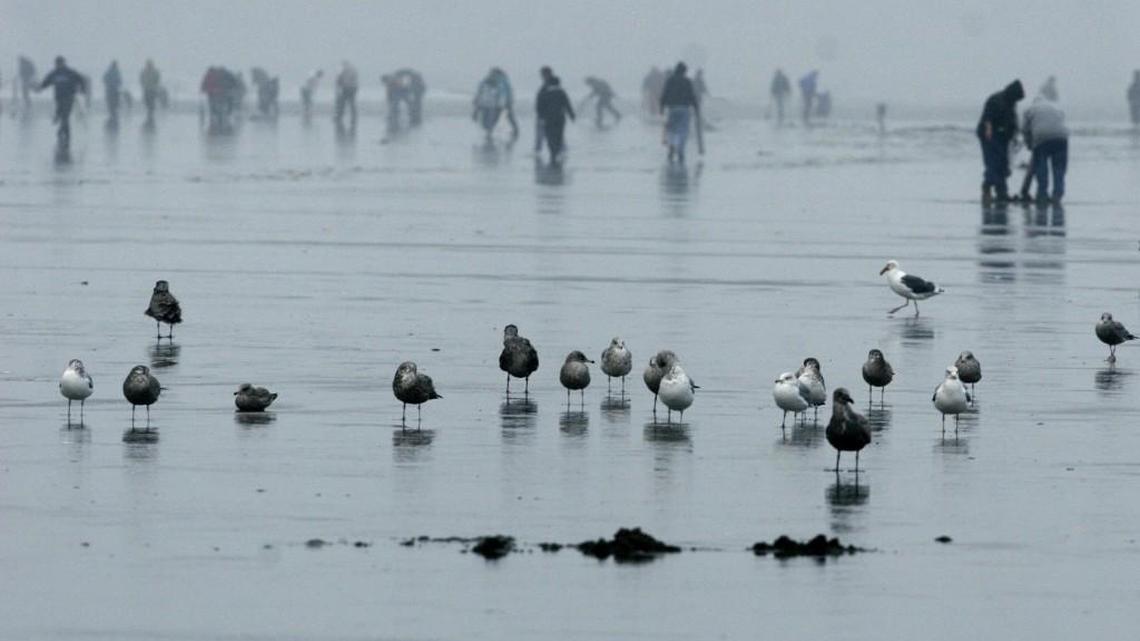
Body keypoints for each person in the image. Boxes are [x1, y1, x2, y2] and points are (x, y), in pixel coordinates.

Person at [976, 80, 1025, 203]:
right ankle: (987, 188)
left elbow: (1013, 120)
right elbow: (987, 117)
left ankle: (1002, 193)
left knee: (1003, 163)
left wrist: (1015, 134)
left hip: (1002, 136)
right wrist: (988, 130)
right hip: (989, 135)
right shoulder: (995, 99)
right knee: (993, 163)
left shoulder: (1011, 102)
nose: (1016, 101)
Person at [1022, 94, 1069, 203]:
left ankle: (1042, 195)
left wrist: (1029, 144)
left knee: (1041, 168)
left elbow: (1024, 129)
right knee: (1059, 168)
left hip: (1041, 137)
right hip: (1062, 137)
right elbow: (1061, 120)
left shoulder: (1029, 109)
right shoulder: (1055, 108)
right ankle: (1057, 196)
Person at [37, 56, 88, 144]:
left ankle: (65, 134)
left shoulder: (70, 72)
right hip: (59, 98)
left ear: (63, 63)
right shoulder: (54, 73)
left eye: (59, 63)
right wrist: (40, 88)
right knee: (61, 114)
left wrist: (83, 89)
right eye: (57, 63)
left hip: (69, 97)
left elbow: (81, 79)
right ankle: (62, 129)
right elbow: (46, 82)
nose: (58, 65)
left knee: (65, 115)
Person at [659, 62, 700, 163]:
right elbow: (692, 96)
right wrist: (696, 109)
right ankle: (680, 149)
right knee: (683, 131)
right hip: (684, 109)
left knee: (672, 130)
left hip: (672, 109)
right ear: (684, 71)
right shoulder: (687, 81)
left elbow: (664, 94)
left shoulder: (670, 81)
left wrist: (661, 108)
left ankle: (672, 147)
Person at [535, 75, 574, 163]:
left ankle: (553, 152)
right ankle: (557, 151)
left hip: (548, 118)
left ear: (549, 83)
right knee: (559, 135)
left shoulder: (544, 93)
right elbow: (567, 104)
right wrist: (572, 115)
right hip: (560, 118)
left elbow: (539, 107)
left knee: (549, 135)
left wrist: (541, 118)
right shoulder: (561, 92)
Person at [472, 67, 517, 140]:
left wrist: (476, 104)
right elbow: (506, 92)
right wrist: (507, 102)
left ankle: (489, 132)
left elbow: (480, 92)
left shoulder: (489, 80)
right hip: (496, 104)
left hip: (490, 104)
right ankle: (490, 131)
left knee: (489, 120)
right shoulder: (503, 80)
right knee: (496, 119)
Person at [534, 66, 554, 151]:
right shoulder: (548, 84)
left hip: (545, 114)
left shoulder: (549, 85)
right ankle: (537, 150)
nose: (541, 76)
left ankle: (537, 150)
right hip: (545, 114)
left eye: (542, 74)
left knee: (542, 133)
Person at [334, 61, 358, 130]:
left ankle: (339, 116)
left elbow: (339, 80)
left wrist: (338, 87)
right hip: (353, 88)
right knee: (352, 103)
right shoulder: (353, 70)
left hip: (346, 88)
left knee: (342, 103)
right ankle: (353, 117)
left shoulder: (343, 71)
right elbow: (354, 80)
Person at [140, 59, 161, 124]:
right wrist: (143, 84)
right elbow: (141, 78)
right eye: (148, 64)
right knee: (147, 100)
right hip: (147, 89)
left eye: (149, 64)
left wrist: (155, 85)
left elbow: (157, 79)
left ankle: (150, 111)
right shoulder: (144, 71)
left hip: (152, 89)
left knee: (151, 100)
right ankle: (150, 110)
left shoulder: (154, 71)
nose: (148, 65)